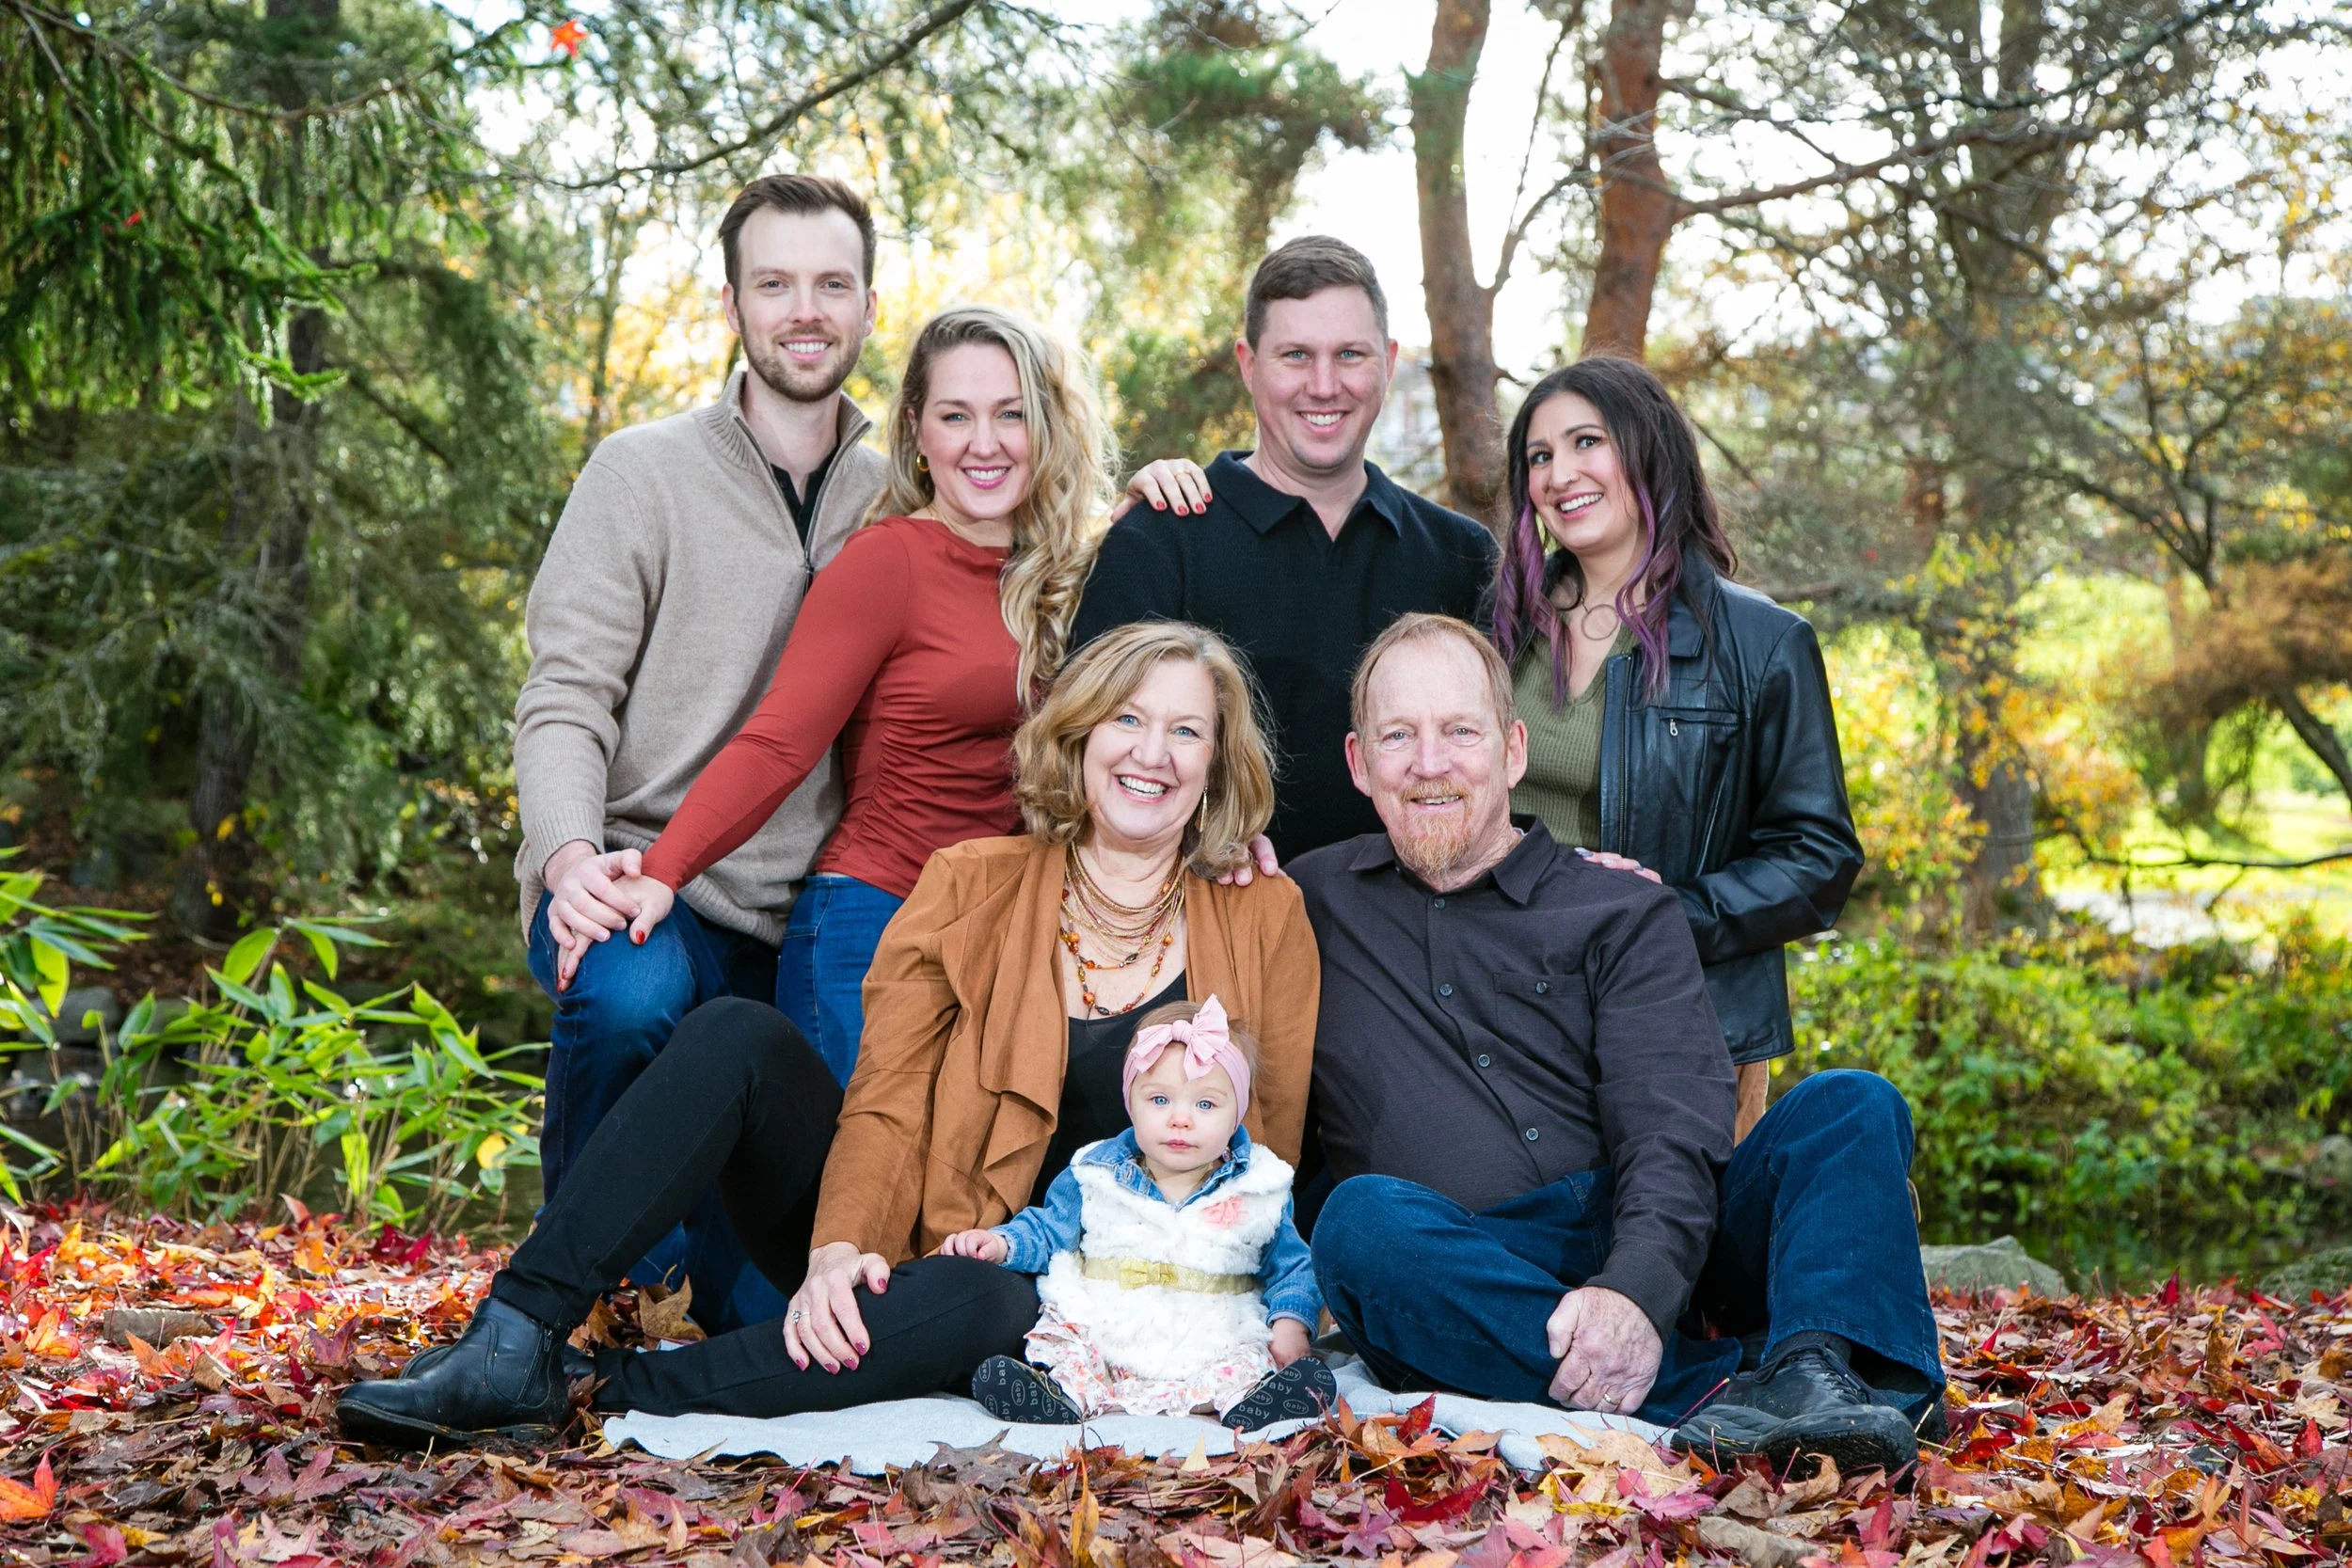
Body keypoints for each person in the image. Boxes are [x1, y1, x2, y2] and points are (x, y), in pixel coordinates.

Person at [334, 622, 1318, 1444]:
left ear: (1215, 762)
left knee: (987, 1304)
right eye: (1129, 719)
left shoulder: (1261, 914)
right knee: (735, 1036)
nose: (1152, 751)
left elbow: (1261, 1149)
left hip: (1070, 1290)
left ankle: (610, 1386)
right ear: (1079, 734)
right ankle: (516, 1333)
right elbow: (886, 1092)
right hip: (920, 1223)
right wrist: (843, 1245)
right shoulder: (971, 880)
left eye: (1186, 730)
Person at [1295, 614, 1944, 1476]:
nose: (1430, 761)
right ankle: (1741, 1391)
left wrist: (1637, 1287)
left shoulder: (1617, 907)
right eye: (1398, 736)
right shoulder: (1300, 902)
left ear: (1514, 748)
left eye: (1460, 731)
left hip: (1661, 1242)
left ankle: (1822, 1372)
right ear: (1358, 762)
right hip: (1473, 1268)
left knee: (1852, 1104)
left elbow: (1672, 1126)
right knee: (1362, 1224)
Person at [511, 173, 886, 1329]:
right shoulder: (642, 470)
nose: (804, 309)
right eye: (775, 283)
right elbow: (564, 691)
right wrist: (570, 857)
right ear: (733, 303)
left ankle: (700, 1287)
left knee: (751, 1311)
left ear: (870, 305)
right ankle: (562, 1298)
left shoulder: (904, 489)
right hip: (644, 873)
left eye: (831, 283)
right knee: (626, 996)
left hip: (816, 913)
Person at [596, 306, 1142, 1086]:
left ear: (1047, 423)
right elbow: (780, 742)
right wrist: (663, 871)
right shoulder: (888, 561)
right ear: (918, 431)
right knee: (865, 1197)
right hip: (876, 929)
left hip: (1009, 935)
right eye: (956, 416)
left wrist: (1163, 496)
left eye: (1010, 414)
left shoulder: (1073, 574)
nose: (983, 443)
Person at [1489, 357, 1861, 1140]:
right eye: (1540, 455)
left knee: (1673, 1250)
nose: (1561, 473)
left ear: (1648, 449)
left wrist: (1662, 916)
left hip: (1680, 1018)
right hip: (1506, 1011)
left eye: (1587, 441)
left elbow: (1819, 855)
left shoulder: (1760, 643)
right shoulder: (1497, 628)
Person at [1072, 236, 1498, 861]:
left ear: (1387, 360)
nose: (1323, 385)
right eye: (1295, 355)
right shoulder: (1159, 538)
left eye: (1349, 354)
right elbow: (1085, 748)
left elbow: (1503, 762)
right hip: (1209, 920)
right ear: (1248, 364)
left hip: (1414, 937)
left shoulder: (1461, 556)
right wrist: (1206, 848)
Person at [946, 996, 1335, 1431]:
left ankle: (1254, 1400)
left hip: (1209, 1329)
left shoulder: (1258, 1187)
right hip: (1109, 1320)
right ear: (1131, 1103)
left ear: (1237, 1114)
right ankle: (1058, 1395)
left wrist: (1291, 1324)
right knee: (1073, 1346)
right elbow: (1049, 1229)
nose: (1181, 1119)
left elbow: (1292, 1267)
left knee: (1245, 1355)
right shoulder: (1095, 1175)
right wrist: (1002, 1243)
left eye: (1206, 1105)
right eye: (1160, 1100)